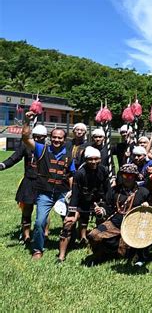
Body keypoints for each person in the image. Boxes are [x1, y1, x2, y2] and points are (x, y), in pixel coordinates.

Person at [22, 111, 76, 260]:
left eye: (60, 138)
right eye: (54, 137)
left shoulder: (69, 155)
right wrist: (26, 121)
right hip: (44, 192)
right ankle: (37, 250)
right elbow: (25, 137)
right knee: (39, 222)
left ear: (64, 139)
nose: (56, 140)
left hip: (62, 193)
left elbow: (71, 174)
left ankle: (68, 245)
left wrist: (72, 192)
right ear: (50, 138)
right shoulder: (41, 148)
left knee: (69, 221)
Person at [86, 164, 149, 263]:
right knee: (93, 235)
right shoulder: (114, 191)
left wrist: (146, 207)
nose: (127, 178)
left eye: (131, 176)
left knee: (121, 253)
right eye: (125, 175)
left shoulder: (144, 192)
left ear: (135, 177)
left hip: (132, 227)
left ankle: (124, 254)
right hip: (114, 224)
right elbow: (107, 206)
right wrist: (101, 211)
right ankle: (99, 256)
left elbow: (150, 214)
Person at [58, 146, 110, 262]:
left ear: (100, 159)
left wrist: (105, 207)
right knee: (67, 225)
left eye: (96, 159)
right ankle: (61, 256)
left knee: (105, 223)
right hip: (81, 201)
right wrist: (72, 212)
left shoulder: (104, 170)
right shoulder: (79, 173)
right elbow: (75, 193)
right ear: (86, 160)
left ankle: (102, 252)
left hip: (98, 201)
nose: (93, 162)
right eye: (90, 159)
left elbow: (108, 190)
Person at [0, 125, 47, 243]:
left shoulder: (49, 148)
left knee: (44, 210)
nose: (37, 139)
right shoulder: (25, 146)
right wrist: (3, 165)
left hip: (44, 182)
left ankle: (45, 234)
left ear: (45, 137)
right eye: (35, 137)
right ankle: (26, 235)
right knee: (27, 209)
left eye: (40, 137)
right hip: (29, 181)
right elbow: (14, 158)